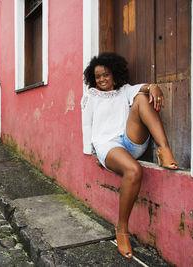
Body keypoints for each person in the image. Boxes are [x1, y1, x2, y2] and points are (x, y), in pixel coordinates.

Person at [81, 52, 178, 259]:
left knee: (142, 99)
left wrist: (153, 86)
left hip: (130, 141)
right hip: (107, 146)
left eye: (106, 75)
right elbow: (87, 124)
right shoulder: (91, 96)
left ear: (114, 75)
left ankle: (164, 149)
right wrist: (91, 151)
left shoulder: (124, 91)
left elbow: (142, 88)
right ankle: (122, 229)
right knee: (134, 170)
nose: (102, 79)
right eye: (98, 77)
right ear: (93, 79)